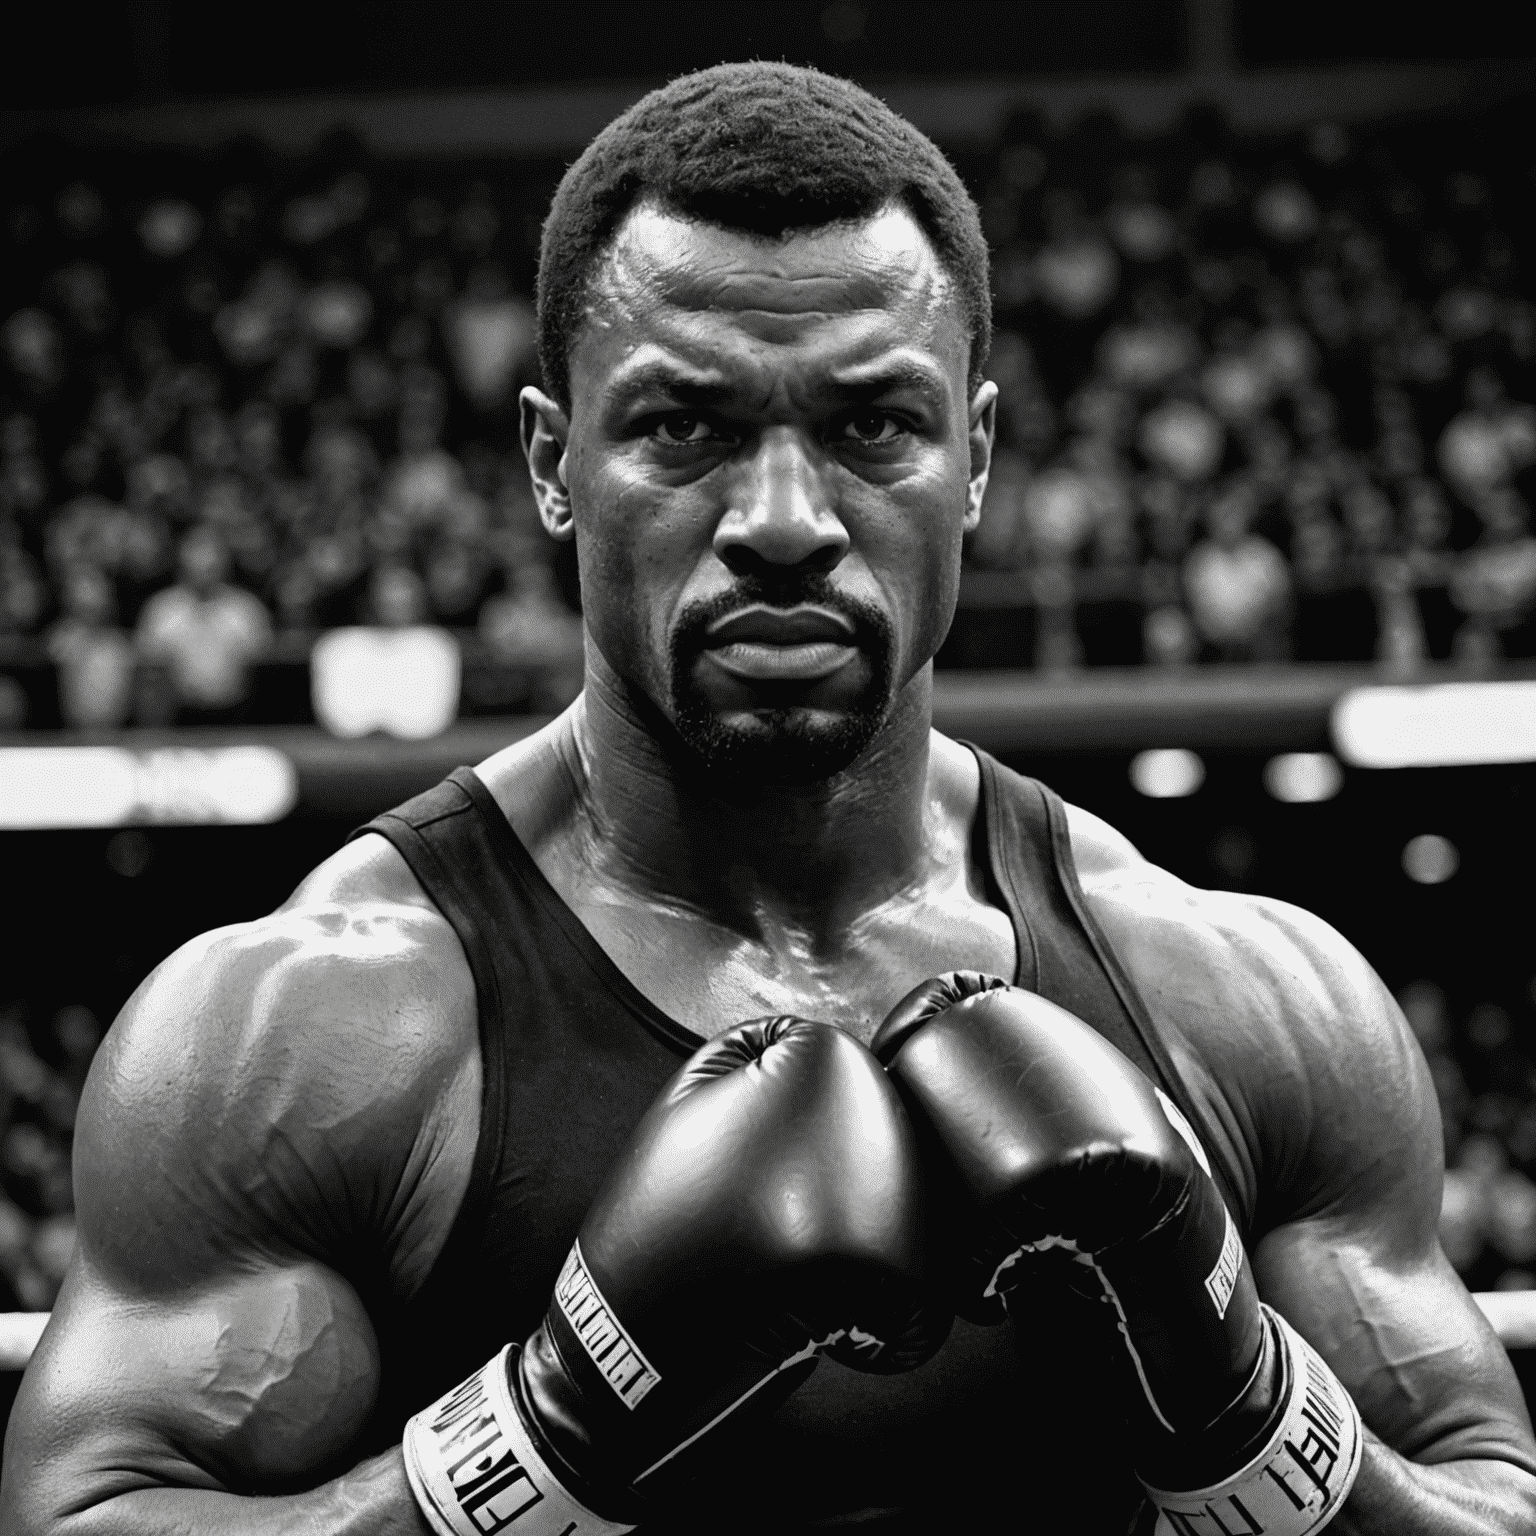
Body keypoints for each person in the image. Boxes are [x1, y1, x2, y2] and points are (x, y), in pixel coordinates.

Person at [4, 63, 1533, 1536]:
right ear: (554, 463)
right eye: (686, 427)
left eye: (873, 426)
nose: (786, 521)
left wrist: (1251, 1416)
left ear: (976, 458)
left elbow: (1492, 1500)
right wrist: (539, 1442)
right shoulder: (310, 1032)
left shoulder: (1240, 996)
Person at [133, 524, 272, 725]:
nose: (203, 568)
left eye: (211, 564)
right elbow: (148, 668)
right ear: (182, 562)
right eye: (195, 558)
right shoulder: (162, 609)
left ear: (224, 564)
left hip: (237, 716)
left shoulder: (245, 609)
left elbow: (262, 662)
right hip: (177, 717)